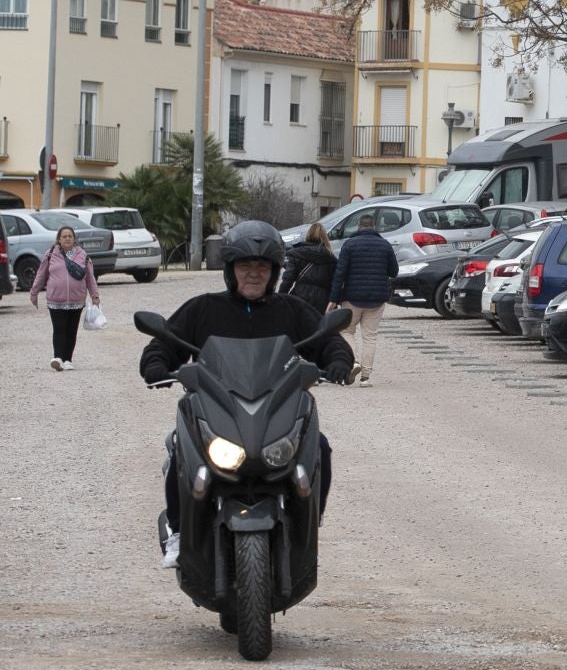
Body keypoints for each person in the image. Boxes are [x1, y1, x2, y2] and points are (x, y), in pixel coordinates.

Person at [140, 220, 355, 567]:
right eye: (245, 265)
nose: (253, 274)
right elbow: (165, 342)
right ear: (230, 270)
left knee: (319, 447)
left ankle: (307, 525)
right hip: (216, 409)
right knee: (180, 450)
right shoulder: (203, 308)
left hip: (276, 409)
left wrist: (339, 362)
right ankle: (179, 533)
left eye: (262, 266)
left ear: (274, 272)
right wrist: (156, 363)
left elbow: (328, 339)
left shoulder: (291, 309)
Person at [329, 212, 398, 386]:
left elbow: (340, 274)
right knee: (370, 336)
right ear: (374, 226)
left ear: (359, 227)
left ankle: (353, 363)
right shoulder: (385, 245)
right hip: (377, 298)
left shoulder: (349, 245)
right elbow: (393, 271)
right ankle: (366, 377)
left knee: (347, 332)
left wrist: (333, 299)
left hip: (351, 297)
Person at [28, 225, 100, 371]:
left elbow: (90, 278)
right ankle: (58, 358)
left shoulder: (83, 255)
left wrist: (95, 296)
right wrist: (34, 293)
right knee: (59, 329)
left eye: (70, 236)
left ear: (74, 239)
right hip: (56, 300)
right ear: (59, 240)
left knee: (71, 331)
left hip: (76, 300)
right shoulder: (50, 255)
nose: (67, 238)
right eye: (64, 236)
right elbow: (41, 275)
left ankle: (68, 360)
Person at [280, 222, 337, 315]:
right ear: (325, 237)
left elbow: (287, 280)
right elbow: (334, 284)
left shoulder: (296, 254)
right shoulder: (331, 258)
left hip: (299, 298)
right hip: (322, 302)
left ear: (308, 235)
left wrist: (281, 299)